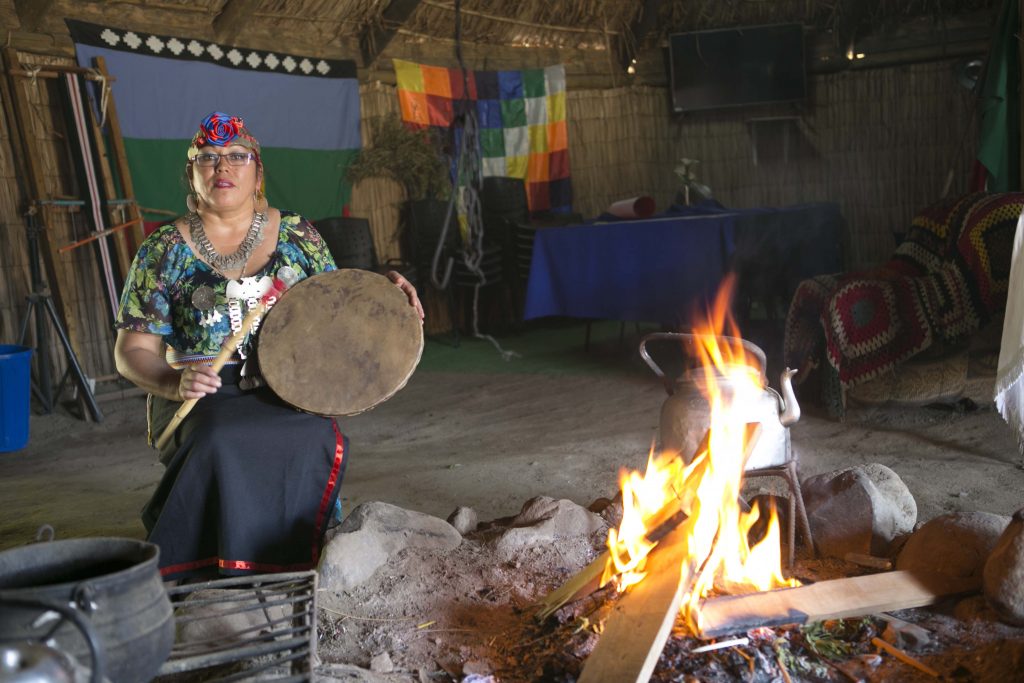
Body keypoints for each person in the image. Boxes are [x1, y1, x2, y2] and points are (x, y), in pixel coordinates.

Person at [114, 112, 423, 580]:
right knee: (222, 437)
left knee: (311, 434)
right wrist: (173, 381)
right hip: (201, 391)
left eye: (238, 156)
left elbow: (338, 311)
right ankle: (216, 564)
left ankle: (299, 560)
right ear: (191, 173)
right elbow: (131, 351)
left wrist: (388, 301)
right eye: (208, 158)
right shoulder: (161, 250)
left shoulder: (299, 236)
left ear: (258, 172)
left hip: (289, 383)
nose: (223, 167)